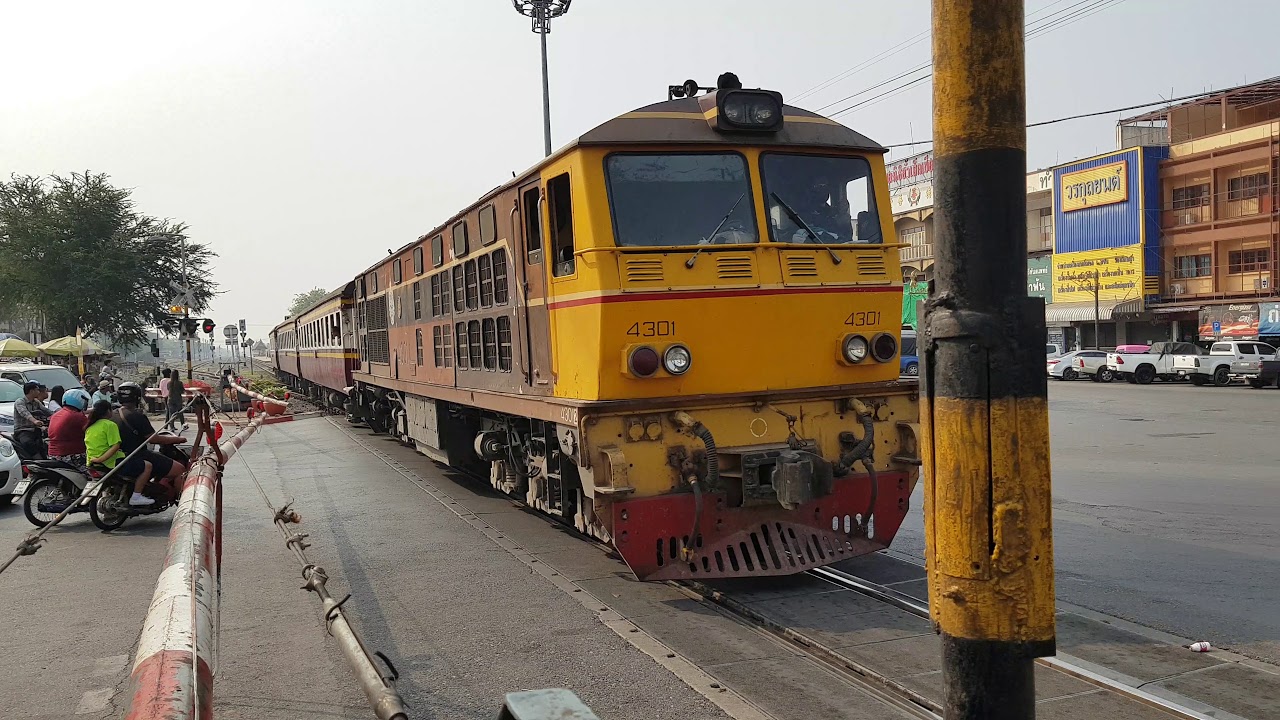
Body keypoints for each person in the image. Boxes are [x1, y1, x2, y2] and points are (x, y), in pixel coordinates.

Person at [114, 382, 186, 486]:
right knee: (180, 470)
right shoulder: (137, 415)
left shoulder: (113, 414)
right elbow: (153, 439)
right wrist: (178, 439)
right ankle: (181, 501)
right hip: (138, 455)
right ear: (137, 397)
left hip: (121, 456)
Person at [85, 399, 154, 507]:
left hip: (92, 463)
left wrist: (98, 460)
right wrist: (101, 459)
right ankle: (136, 496)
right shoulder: (109, 425)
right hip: (111, 462)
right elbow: (116, 446)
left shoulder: (90, 426)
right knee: (147, 466)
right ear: (108, 411)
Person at [48, 389, 91, 469]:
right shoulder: (76, 416)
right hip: (71, 455)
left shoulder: (57, 414)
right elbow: (91, 430)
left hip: (53, 455)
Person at [12, 381, 51, 459]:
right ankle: (36, 460)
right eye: (37, 390)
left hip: (35, 429)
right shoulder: (20, 402)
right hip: (22, 430)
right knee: (28, 443)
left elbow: (46, 411)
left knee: (44, 443)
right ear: (31, 391)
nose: (39, 392)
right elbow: (25, 413)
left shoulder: (36, 402)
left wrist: (59, 415)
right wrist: (35, 421)